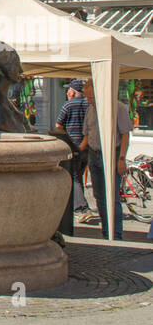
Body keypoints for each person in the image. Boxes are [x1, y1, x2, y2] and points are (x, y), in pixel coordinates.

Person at [78, 77, 130, 241]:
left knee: (112, 197)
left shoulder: (118, 108)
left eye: (91, 97)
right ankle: (106, 232)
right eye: (87, 97)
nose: (89, 100)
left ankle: (116, 235)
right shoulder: (90, 110)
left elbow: (125, 135)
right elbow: (87, 136)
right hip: (94, 154)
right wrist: (77, 151)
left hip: (112, 154)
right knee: (99, 196)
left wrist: (121, 158)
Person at [55, 78, 90, 220]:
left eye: (69, 90)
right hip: (87, 146)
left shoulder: (68, 105)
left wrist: (66, 136)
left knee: (73, 177)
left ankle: (81, 208)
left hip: (73, 144)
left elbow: (58, 125)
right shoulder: (89, 105)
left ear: (72, 92)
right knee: (79, 176)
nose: (67, 92)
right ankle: (79, 205)